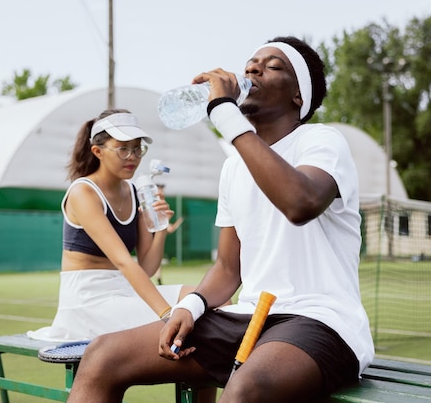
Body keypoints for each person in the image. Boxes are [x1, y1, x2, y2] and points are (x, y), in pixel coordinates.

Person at [67, 36, 375, 403]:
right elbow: (229, 268)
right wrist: (190, 305)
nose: (252, 69)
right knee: (102, 356)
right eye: (250, 64)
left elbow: (301, 203)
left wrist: (226, 115)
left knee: (244, 389)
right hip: (251, 317)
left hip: (320, 321)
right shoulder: (234, 166)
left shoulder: (321, 140)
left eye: (273, 66)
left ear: (298, 97)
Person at [27, 109, 196, 341]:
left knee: (206, 300)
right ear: (98, 151)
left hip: (125, 290)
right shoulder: (83, 192)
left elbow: (146, 268)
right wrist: (167, 315)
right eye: (123, 148)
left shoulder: (135, 192)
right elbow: (123, 261)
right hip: (87, 300)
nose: (133, 157)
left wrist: (160, 229)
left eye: (138, 149)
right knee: (184, 316)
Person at [153, 183, 185, 285]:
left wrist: (177, 221)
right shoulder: (151, 204)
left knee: (156, 263)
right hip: (151, 239)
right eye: (159, 189)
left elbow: (169, 228)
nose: (161, 191)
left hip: (157, 240)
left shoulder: (164, 206)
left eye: (162, 189)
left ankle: (158, 281)